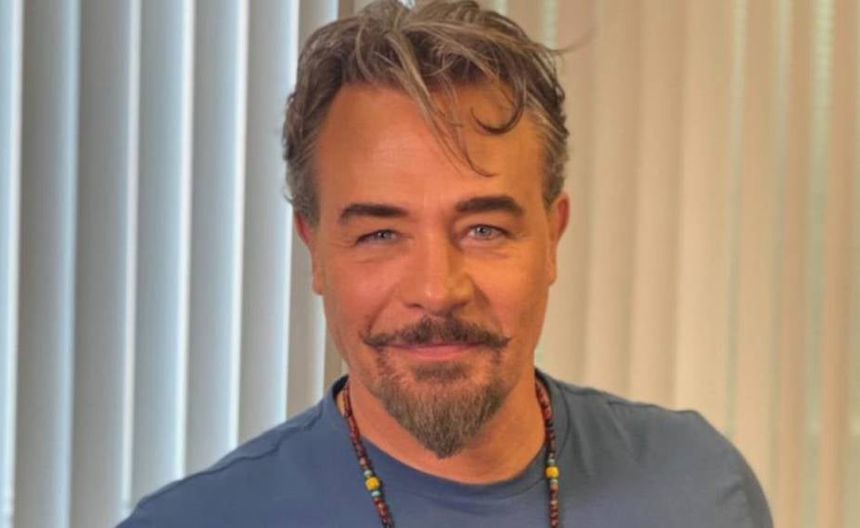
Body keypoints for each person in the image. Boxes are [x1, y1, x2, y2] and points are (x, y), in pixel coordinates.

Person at [119, 1, 772, 526]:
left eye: (484, 229)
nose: (437, 290)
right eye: (380, 234)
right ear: (314, 251)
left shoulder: (702, 488)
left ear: (552, 237)